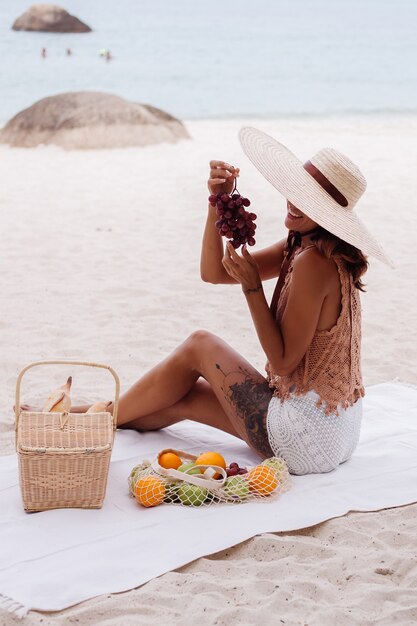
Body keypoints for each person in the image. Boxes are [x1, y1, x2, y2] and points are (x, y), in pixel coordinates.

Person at [21, 128, 392, 475]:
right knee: (184, 397)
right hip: (338, 432)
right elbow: (213, 272)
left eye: (309, 200)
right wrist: (217, 202)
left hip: (307, 438)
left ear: (330, 214)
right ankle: (75, 420)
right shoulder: (310, 246)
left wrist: (252, 290)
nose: (294, 202)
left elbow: (282, 361)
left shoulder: (314, 262)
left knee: (200, 343)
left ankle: (67, 419)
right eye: (295, 189)